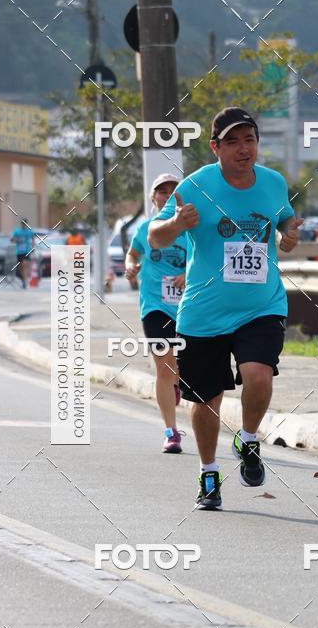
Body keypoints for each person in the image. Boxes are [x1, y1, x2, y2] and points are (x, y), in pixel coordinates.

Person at [149, 107, 303, 510]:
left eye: (249, 139)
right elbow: (156, 237)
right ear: (215, 147)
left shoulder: (272, 182)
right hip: (204, 313)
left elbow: (285, 218)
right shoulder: (195, 186)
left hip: (262, 305)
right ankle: (209, 473)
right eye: (232, 141)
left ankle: (248, 439)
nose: (243, 148)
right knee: (206, 401)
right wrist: (177, 224)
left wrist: (289, 233)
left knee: (259, 376)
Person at [125, 173, 186, 454]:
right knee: (164, 365)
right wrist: (130, 266)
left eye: (172, 191)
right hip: (155, 306)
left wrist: (187, 274)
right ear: (153, 198)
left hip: (190, 306)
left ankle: (176, 383)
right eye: (160, 191)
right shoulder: (146, 228)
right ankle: (171, 432)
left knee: (181, 368)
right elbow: (133, 254)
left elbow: (207, 262)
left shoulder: (190, 231)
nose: (166, 195)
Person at [11, 219, 34, 289]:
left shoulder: (29, 231)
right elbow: (12, 240)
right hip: (19, 251)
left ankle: (25, 281)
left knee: (24, 265)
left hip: (27, 251)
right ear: (21, 224)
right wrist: (17, 240)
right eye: (23, 224)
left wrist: (33, 247)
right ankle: (23, 279)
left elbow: (33, 239)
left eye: (25, 224)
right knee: (21, 267)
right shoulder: (17, 231)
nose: (24, 225)